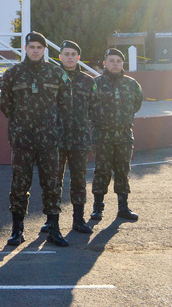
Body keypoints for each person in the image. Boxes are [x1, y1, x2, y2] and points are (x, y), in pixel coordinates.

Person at [0, 31, 70, 247]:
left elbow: (65, 104)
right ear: (26, 49)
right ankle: (17, 230)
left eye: (40, 47)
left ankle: (54, 228)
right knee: (20, 186)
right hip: (23, 140)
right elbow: (6, 105)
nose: (36, 51)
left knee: (52, 185)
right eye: (32, 47)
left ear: (45, 50)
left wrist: (54, 130)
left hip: (49, 141)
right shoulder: (12, 74)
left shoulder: (57, 73)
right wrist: (21, 125)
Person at [41, 40, 95, 235]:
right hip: (55, 139)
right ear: (60, 57)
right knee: (53, 181)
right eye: (66, 54)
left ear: (78, 57)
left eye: (73, 54)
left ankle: (78, 220)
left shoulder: (88, 81)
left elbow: (94, 108)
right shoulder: (51, 77)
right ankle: (50, 220)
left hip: (79, 139)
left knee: (79, 181)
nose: (70, 57)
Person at [90, 48, 143, 222]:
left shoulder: (132, 84)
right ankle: (98, 208)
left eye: (118, 61)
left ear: (122, 64)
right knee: (101, 171)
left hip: (124, 136)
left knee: (123, 171)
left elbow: (137, 104)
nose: (115, 64)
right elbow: (89, 107)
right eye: (111, 61)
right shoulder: (95, 83)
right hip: (102, 136)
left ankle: (123, 208)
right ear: (105, 63)